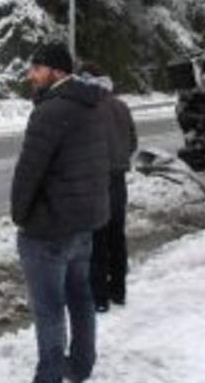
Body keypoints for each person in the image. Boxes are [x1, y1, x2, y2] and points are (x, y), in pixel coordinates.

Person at [11, 42, 111, 383]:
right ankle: (81, 366)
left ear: (56, 71)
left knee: (49, 308)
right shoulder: (92, 104)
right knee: (80, 298)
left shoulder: (50, 110)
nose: (31, 76)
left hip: (49, 228)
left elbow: (28, 172)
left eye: (37, 69)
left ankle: (50, 376)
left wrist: (20, 215)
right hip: (83, 224)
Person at [79, 63, 138, 313]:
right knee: (117, 236)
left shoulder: (87, 108)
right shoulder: (121, 106)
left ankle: (99, 297)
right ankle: (119, 291)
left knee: (97, 239)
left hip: (95, 180)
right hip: (118, 178)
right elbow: (132, 142)